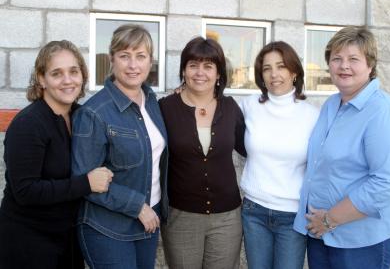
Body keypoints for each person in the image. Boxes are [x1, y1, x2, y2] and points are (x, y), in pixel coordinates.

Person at [293, 26, 390, 269]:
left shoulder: (384, 113)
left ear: (370, 66)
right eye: (336, 59)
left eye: (353, 59)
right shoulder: (331, 104)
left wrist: (330, 219)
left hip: (362, 239)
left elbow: (388, 181)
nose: (343, 66)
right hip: (322, 233)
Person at [0, 40, 113, 269]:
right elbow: (26, 191)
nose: (67, 80)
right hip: (28, 242)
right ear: (42, 79)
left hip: (67, 237)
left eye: (73, 71)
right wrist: (86, 183)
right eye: (56, 73)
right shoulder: (29, 124)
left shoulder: (81, 117)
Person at [71, 24, 168, 269]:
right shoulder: (94, 113)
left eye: (140, 56)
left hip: (148, 220)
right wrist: (137, 207)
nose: (133, 65)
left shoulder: (152, 102)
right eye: (124, 56)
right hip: (107, 228)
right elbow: (84, 180)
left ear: (151, 61)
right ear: (111, 59)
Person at [159, 36, 246, 269]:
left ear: (219, 74)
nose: (200, 72)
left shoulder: (230, 108)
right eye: (193, 65)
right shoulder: (165, 108)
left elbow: (251, 148)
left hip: (227, 217)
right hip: (181, 216)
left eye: (208, 66)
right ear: (184, 70)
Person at [240, 41, 319, 269]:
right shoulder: (248, 106)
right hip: (254, 211)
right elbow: (213, 108)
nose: (274, 74)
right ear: (261, 75)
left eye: (281, 66)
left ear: (294, 71)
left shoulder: (313, 116)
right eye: (267, 68)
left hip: (292, 216)